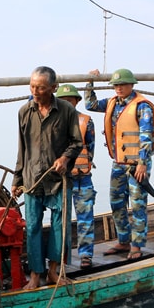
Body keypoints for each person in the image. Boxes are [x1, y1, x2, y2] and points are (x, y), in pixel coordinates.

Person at [11, 66, 84, 289]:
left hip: (58, 180)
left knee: (59, 226)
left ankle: (53, 271)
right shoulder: (24, 112)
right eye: (33, 86)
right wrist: (17, 180)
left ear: (53, 88)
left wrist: (64, 158)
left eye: (41, 87)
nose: (35, 91)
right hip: (33, 179)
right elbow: (22, 148)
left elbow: (77, 143)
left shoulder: (66, 111)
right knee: (31, 227)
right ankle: (35, 274)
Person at [85, 68, 154, 260]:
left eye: (122, 85)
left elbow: (145, 135)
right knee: (116, 202)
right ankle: (124, 240)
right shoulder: (112, 103)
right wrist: (89, 83)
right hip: (118, 163)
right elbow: (90, 104)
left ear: (132, 85)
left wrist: (143, 162)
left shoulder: (141, 106)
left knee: (137, 204)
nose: (118, 88)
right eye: (116, 85)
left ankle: (137, 245)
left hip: (137, 164)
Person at [55, 83, 96, 269]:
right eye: (62, 101)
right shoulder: (52, 122)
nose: (66, 104)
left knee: (85, 216)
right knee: (60, 218)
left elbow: (91, 148)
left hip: (82, 177)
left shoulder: (86, 121)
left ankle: (86, 255)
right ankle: (60, 257)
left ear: (77, 101)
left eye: (70, 101)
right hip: (59, 179)